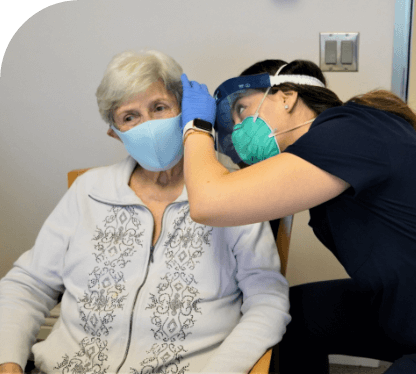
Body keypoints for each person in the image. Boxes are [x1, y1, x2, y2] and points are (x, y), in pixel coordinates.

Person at [179, 59, 416, 374]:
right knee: (294, 314)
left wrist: (196, 126)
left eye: (242, 109)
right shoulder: (332, 150)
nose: (239, 129)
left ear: (286, 96)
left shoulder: (348, 130)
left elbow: (209, 203)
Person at [0, 50, 290, 374]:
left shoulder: (235, 192)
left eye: (159, 107)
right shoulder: (89, 191)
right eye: (130, 117)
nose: (148, 125)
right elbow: (29, 283)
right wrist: (8, 360)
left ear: (184, 111)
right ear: (115, 132)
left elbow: (267, 302)